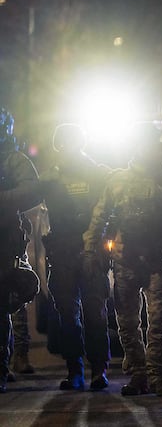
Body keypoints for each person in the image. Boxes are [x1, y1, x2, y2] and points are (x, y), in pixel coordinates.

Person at [82, 122, 162, 397]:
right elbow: (100, 216)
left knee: (157, 323)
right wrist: (92, 250)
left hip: (156, 261)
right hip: (124, 259)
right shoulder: (117, 181)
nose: (151, 149)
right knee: (127, 323)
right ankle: (139, 376)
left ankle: (157, 377)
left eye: (154, 143)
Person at [39, 124, 112, 390]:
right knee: (67, 313)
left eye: (72, 142)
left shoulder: (98, 173)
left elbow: (111, 210)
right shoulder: (51, 179)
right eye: (63, 144)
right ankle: (75, 370)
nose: (67, 148)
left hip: (91, 249)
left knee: (95, 313)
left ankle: (99, 370)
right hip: (63, 251)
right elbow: (28, 196)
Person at [0, 107, 41, 393]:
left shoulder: (13, 160)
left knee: (4, 306)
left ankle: (5, 366)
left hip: (4, 242)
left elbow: (31, 191)